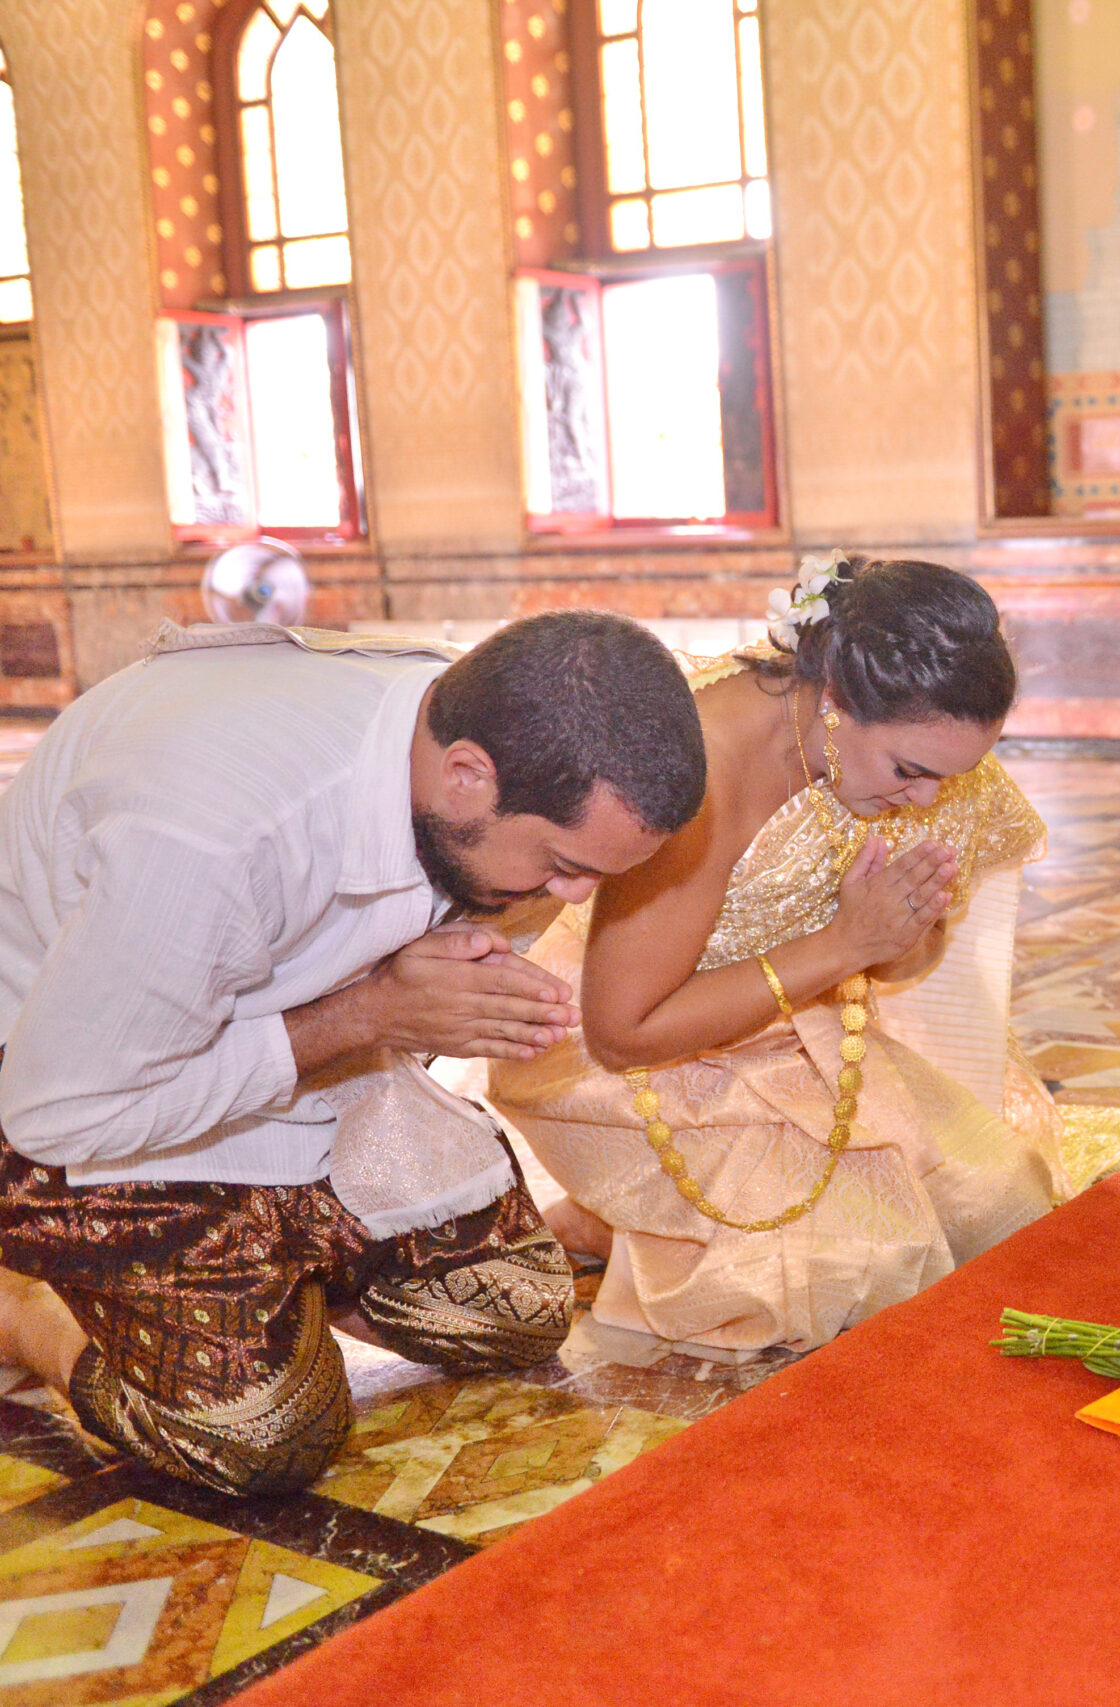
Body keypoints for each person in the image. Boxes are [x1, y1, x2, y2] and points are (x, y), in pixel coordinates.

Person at [0, 612, 705, 1496]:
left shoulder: (466, 729)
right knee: (265, 1440)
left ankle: (274, 1272)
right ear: (465, 775)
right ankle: (26, 1308)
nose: (572, 898)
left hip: (294, 1073)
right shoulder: (212, 833)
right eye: (563, 864)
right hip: (74, 1106)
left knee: (514, 1312)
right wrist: (375, 1008)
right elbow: (63, 1109)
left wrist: (428, 1001)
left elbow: (368, 981)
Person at [488, 556, 1120, 1356]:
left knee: (1004, 1208)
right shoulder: (706, 770)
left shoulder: (907, 758)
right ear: (834, 700)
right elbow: (622, 1032)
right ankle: (611, 1220)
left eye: (945, 777)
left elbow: (899, 965)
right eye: (911, 772)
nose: (925, 799)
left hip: (799, 1036)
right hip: (628, 1067)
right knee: (854, 1269)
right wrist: (843, 943)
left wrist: (895, 933)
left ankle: (655, 1227)